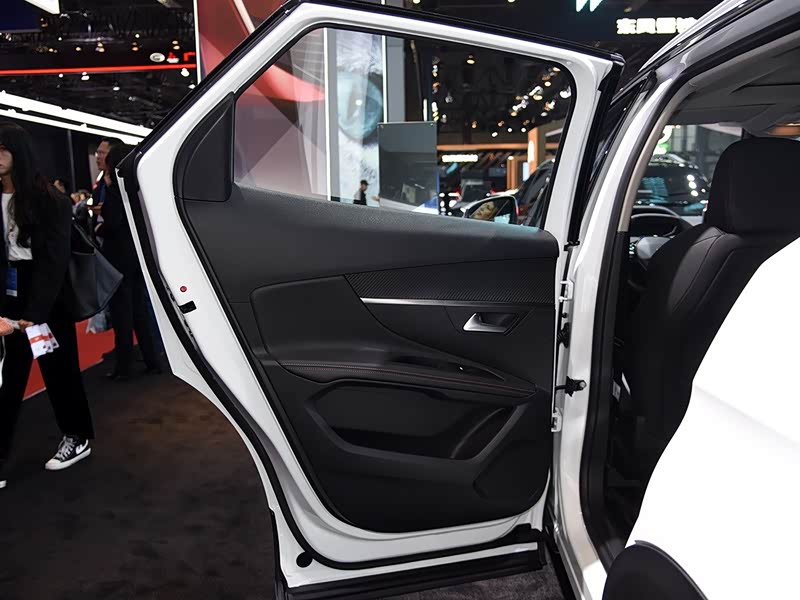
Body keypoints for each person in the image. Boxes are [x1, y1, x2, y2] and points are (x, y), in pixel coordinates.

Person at [0, 122, 94, 489]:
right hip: (10, 291)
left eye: (2, 149)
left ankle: (77, 436)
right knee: (8, 379)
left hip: (45, 298)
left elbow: (54, 262)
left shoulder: (50, 200)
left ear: (18, 153)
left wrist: (33, 315)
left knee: (59, 370)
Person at [98, 143, 161, 381]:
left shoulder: (115, 192)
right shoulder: (138, 188)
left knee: (122, 314)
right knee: (140, 311)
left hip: (119, 258)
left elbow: (112, 223)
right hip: (137, 256)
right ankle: (152, 360)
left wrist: (100, 228)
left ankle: (123, 367)